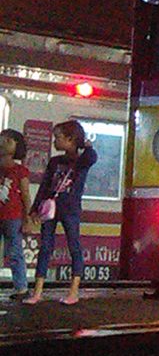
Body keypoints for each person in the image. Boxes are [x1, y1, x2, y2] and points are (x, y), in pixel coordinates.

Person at [25, 121, 97, 305]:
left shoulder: (81, 161)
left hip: (70, 209)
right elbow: (44, 186)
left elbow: (92, 157)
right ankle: (37, 291)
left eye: (58, 137)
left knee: (74, 246)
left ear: (70, 139)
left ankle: (73, 291)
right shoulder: (54, 161)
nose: (54, 141)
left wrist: (86, 145)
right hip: (51, 208)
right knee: (45, 247)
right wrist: (35, 208)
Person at [0, 129, 28, 299]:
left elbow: (25, 194)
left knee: (15, 251)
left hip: (13, 216)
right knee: (14, 250)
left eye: (9, 141)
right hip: (11, 216)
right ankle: (21, 287)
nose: (3, 142)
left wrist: (27, 216)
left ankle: (21, 287)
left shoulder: (20, 170)